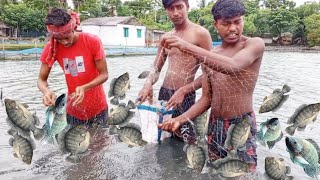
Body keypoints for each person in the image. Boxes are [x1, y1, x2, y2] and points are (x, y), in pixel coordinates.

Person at [158, 0, 265, 172]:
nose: (232, 28)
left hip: (240, 123)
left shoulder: (254, 44)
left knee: (243, 172)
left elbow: (233, 66)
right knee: (216, 170)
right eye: (226, 23)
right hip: (215, 124)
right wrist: (178, 119)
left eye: (237, 22)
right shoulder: (211, 55)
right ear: (216, 25)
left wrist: (186, 46)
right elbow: (206, 99)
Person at [137, 0, 212, 144]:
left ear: (187, 7)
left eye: (180, 7)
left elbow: (210, 73)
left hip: (186, 95)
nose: (176, 12)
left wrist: (184, 90)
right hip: (165, 94)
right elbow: (156, 69)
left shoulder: (200, 34)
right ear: (166, 10)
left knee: (186, 141)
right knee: (162, 137)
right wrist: (147, 84)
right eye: (171, 8)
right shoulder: (166, 36)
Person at [37, 8, 109, 127]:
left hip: (98, 108)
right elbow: (41, 80)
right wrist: (46, 91)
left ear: (73, 28)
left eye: (67, 37)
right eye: (59, 39)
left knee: (100, 144)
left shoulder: (92, 41)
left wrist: (85, 87)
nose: (64, 42)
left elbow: (104, 74)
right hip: (73, 111)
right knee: (73, 144)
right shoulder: (52, 48)